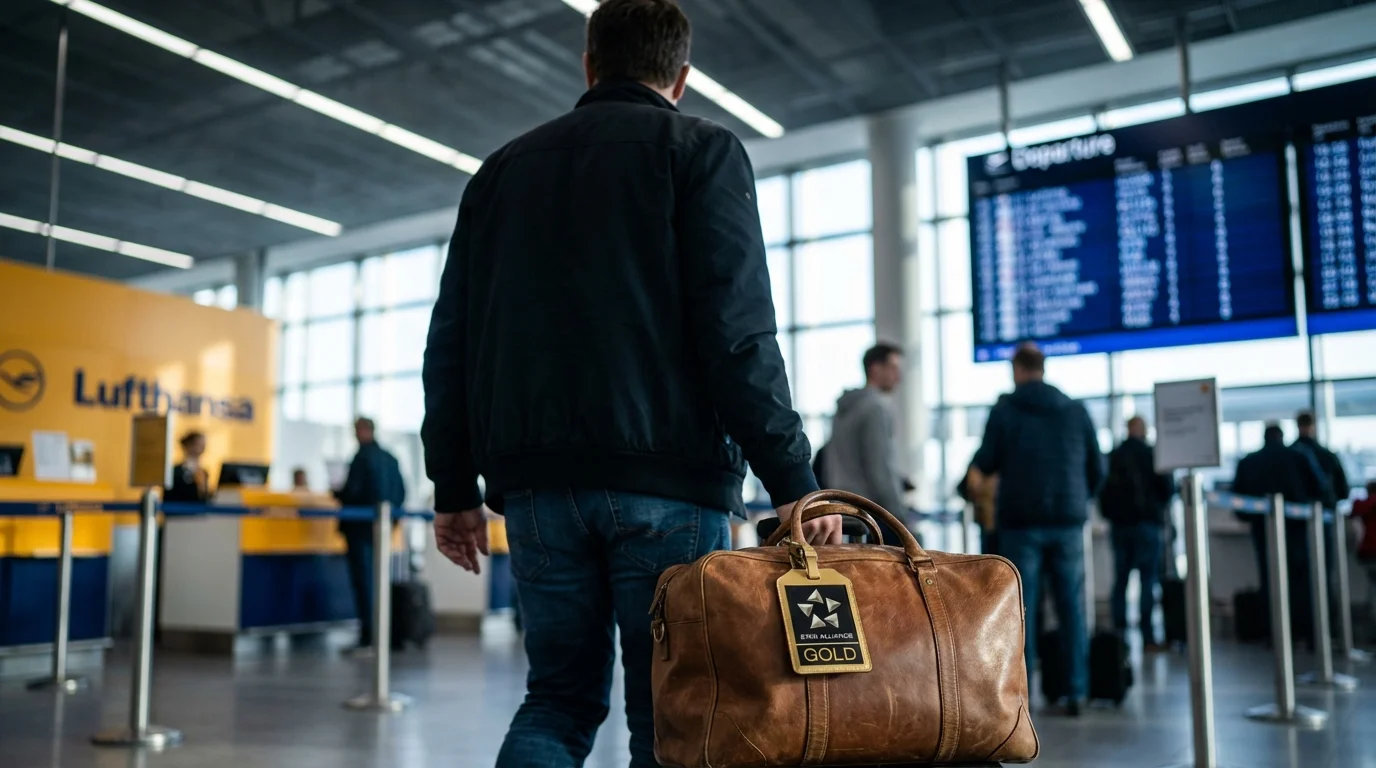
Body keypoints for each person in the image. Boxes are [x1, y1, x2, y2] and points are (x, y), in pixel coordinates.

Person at [420, 2, 832, 765]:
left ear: (589, 65)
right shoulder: (701, 151)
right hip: (670, 482)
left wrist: (452, 486)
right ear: (682, 77)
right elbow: (737, 334)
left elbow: (451, 342)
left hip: (537, 489)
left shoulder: (501, 171)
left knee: (557, 699)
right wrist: (793, 482)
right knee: (672, 710)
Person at [972, 343, 1103, 715]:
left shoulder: (1005, 410)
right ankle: (1077, 691)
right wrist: (1078, 500)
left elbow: (987, 460)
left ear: (1016, 370)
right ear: (1043, 368)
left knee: (1021, 610)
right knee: (1071, 607)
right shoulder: (1076, 410)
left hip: (1021, 523)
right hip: (1067, 521)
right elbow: (1097, 467)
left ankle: (1022, 697)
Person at [1232, 422, 1326, 646]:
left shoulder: (1250, 461)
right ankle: (1306, 632)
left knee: (1269, 578)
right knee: (1301, 579)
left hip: (1262, 528)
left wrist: (1250, 518)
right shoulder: (1299, 456)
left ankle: (1275, 633)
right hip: (1297, 527)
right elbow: (1320, 488)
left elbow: (1239, 499)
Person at [1100, 416, 1174, 652]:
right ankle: (1148, 637)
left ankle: (1119, 636)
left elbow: (1102, 489)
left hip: (1120, 526)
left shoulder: (1115, 455)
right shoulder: (1153, 454)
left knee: (1120, 581)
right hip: (1147, 525)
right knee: (1147, 580)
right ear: (1144, 430)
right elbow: (1167, 490)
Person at [335, 417, 406, 655]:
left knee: (364, 583)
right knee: (379, 582)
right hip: (383, 529)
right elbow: (401, 492)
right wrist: (391, 522)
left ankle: (369, 637)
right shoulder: (390, 458)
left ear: (363, 430)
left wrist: (338, 493)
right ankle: (383, 636)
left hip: (360, 529)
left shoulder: (361, 458)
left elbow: (352, 492)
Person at [823, 342, 908, 543]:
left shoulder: (844, 407)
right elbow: (879, 468)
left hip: (842, 506)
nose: (898, 376)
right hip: (872, 512)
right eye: (893, 368)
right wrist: (898, 517)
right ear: (875, 369)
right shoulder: (875, 408)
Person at [1291, 410, 1350, 511]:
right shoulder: (1328, 455)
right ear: (1314, 426)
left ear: (1297, 426)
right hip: (1325, 508)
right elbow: (1343, 490)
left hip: (1295, 510)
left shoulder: (1288, 455)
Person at [166, 431, 210, 502]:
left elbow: (204, 498)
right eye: (198, 444)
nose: (202, 448)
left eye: (203, 445)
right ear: (188, 445)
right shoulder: (175, 471)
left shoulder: (203, 472)